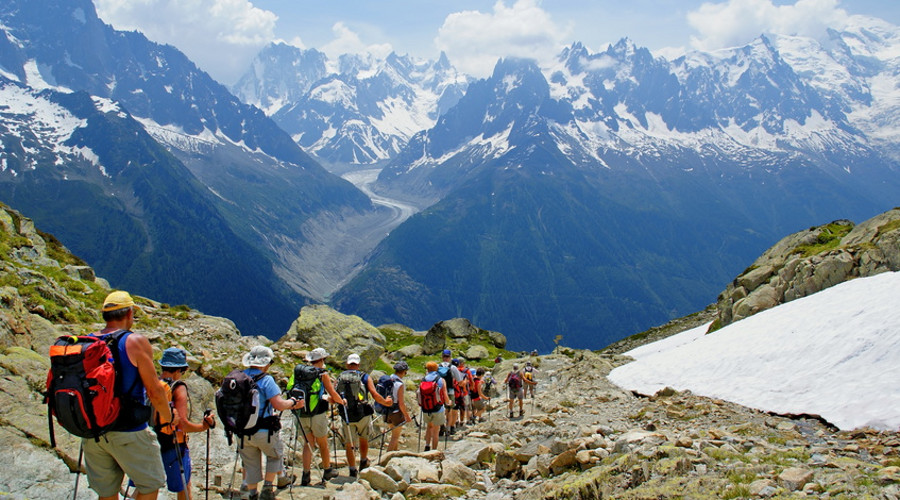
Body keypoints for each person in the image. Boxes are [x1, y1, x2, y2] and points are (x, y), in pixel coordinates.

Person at [81, 291, 171, 500]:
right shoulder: (135, 342)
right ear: (129, 313)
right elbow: (155, 391)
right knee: (150, 484)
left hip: (94, 431)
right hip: (129, 429)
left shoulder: (88, 342)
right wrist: (169, 417)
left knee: (107, 491)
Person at [239, 346, 304, 500]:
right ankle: (268, 488)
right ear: (266, 363)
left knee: (250, 462)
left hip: (242, 430)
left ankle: (252, 492)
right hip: (264, 429)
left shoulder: (238, 378)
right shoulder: (266, 380)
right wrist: (293, 402)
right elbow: (279, 405)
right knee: (274, 456)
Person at [154, 348, 216, 500]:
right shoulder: (178, 387)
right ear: (180, 369)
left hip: (150, 441)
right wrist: (203, 426)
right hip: (174, 445)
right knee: (184, 486)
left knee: (148, 486)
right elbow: (182, 424)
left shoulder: (154, 384)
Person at [289, 347, 345, 486]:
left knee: (308, 444)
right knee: (323, 444)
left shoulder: (298, 373)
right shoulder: (322, 374)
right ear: (321, 360)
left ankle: (306, 474)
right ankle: (327, 470)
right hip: (317, 414)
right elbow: (332, 393)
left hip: (301, 414)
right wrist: (341, 401)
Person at [335, 353, 393, 477]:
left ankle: (351, 469)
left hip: (346, 415)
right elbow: (374, 394)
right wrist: (386, 402)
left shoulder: (340, 377)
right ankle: (363, 461)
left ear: (347, 364)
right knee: (363, 438)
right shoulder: (365, 377)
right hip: (363, 414)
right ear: (358, 365)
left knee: (349, 443)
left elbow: (335, 395)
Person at [418, 361, 449, 452]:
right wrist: (448, 402)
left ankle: (427, 445)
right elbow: (444, 394)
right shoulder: (440, 379)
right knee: (436, 430)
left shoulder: (423, 379)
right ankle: (434, 450)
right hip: (438, 407)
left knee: (429, 427)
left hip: (426, 408)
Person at [385, 361, 411, 452]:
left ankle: (394, 454)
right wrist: (406, 415)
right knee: (395, 436)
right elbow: (401, 403)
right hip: (396, 412)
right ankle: (386, 457)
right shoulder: (400, 384)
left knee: (393, 432)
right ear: (404, 371)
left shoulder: (388, 379)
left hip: (386, 410)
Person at [437, 350, 463, 434]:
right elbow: (460, 380)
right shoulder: (453, 367)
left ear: (442, 356)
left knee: (440, 409)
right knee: (449, 410)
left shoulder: (437, 366)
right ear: (450, 357)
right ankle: (449, 428)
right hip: (450, 391)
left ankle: (441, 426)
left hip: (439, 392)